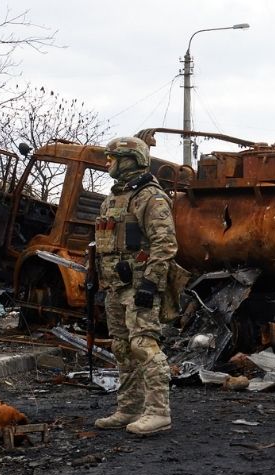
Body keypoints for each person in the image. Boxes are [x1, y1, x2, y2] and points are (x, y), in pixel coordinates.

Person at [92, 136, 178, 436]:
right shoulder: (112, 198)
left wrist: (151, 284)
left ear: (129, 159)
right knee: (122, 348)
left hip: (139, 285)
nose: (107, 162)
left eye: (112, 157)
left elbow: (164, 244)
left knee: (144, 344)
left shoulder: (150, 197)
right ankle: (129, 407)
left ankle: (158, 412)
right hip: (115, 285)